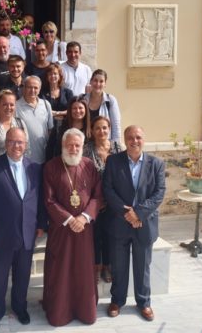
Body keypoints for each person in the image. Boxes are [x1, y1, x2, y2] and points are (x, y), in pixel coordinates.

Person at [0, 128, 44, 333]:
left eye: (20, 142)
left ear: (26, 145)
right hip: (1, 232)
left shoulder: (35, 168)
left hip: (27, 231)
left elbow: (40, 198)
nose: (17, 146)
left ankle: (19, 307)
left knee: (23, 275)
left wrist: (41, 224)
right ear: (6, 143)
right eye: (12, 142)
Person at [102, 125, 166, 322]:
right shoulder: (113, 161)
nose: (134, 141)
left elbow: (159, 193)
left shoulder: (157, 163)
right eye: (130, 137)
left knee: (142, 267)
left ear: (143, 139)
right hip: (120, 223)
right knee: (118, 266)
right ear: (124, 139)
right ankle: (117, 300)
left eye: (138, 137)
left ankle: (144, 302)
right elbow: (108, 189)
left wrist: (138, 214)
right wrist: (127, 213)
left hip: (144, 224)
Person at [42, 128, 102, 326]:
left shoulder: (89, 165)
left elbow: (97, 196)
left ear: (82, 147)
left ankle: (85, 311)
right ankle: (60, 312)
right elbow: (49, 200)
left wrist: (84, 218)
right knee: (60, 270)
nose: (73, 149)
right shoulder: (51, 166)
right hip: (61, 230)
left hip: (84, 229)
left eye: (77, 145)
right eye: (70, 145)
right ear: (63, 145)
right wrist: (69, 219)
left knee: (83, 269)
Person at [82, 116, 121, 283]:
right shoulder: (87, 149)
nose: (101, 131)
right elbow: (82, 175)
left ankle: (107, 266)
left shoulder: (117, 147)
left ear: (109, 129)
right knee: (95, 235)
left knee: (110, 235)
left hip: (115, 200)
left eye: (104, 127)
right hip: (94, 200)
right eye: (97, 128)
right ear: (92, 130)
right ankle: (96, 266)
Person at [16, 76, 53, 164]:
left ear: (39, 89)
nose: (32, 90)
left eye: (35, 88)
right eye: (29, 87)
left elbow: (50, 129)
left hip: (43, 157)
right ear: (24, 88)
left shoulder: (46, 104)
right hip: (23, 158)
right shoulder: (16, 106)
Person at [45, 95, 91, 160]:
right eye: (74, 108)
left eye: (80, 108)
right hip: (61, 164)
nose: (77, 111)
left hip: (83, 165)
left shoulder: (91, 129)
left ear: (86, 110)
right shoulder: (59, 127)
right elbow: (50, 148)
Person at [85, 69, 122, 142]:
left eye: (101, 81)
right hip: (85, 142)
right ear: (91, 82)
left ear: (105, 84)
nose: (98, 84)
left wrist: (115, 144)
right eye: (95, 80)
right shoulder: (83, 99)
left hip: (103, 143)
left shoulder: (110, 100)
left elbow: (116, 125)